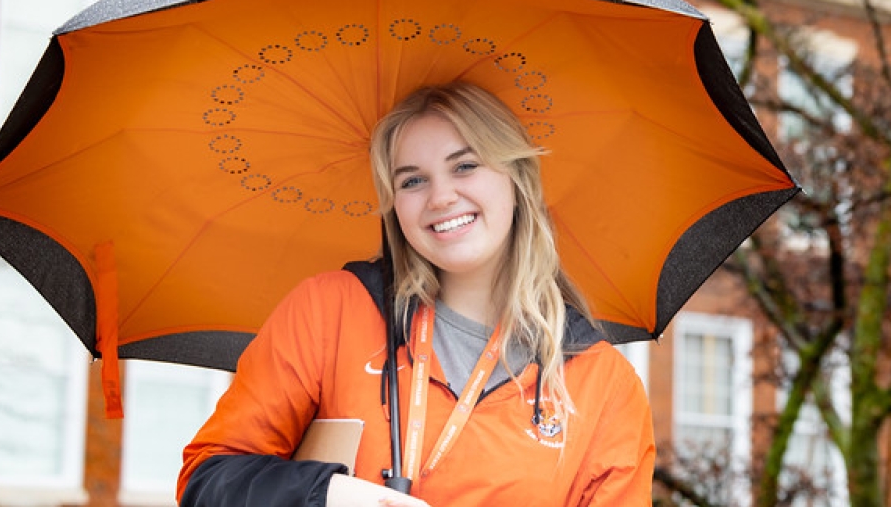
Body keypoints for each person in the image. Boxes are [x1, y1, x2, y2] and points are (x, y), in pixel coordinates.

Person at [177, 82, 655, 506]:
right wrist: (327, 493)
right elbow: (207, 480)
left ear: (518, 181)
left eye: (465, 166)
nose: (441, 196)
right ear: (394, 206)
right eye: (412, 180)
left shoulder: (603, 386)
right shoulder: (330, 313)